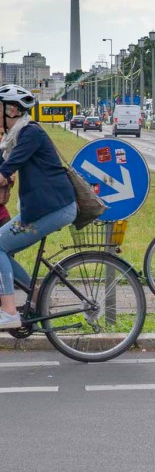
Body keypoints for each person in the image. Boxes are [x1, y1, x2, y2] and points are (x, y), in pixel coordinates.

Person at [0, 85, 77, 329]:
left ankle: (9, 311)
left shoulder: (29, 133)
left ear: (11, 110)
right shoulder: (14, 137)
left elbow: (4, 173)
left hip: (53, 208)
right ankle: (37, 296)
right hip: (42, 209)